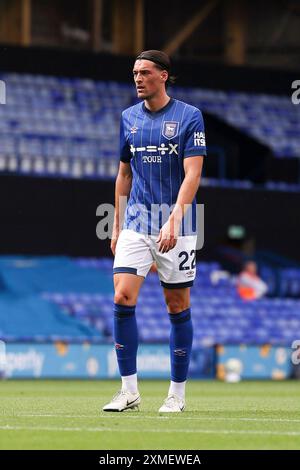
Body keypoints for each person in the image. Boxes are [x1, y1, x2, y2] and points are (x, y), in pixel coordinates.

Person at [103, 50, 206, 413]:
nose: (138, 78)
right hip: (136, 222)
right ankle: (128, 391)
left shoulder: (189, 117)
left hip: (180, 224)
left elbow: (193, 174)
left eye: (145, 72)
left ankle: (176, 395)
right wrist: (116, 225)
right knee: (121, 297)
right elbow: (124, 174)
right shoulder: (127, 118)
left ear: (164, 75)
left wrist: (174, 219)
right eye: (134, 73)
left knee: (176, 305)